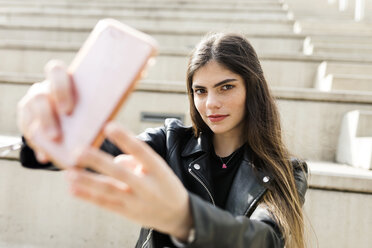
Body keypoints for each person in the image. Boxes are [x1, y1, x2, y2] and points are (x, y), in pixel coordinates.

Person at [17, 33, 308, 248]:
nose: (211, 104)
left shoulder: (286, 170)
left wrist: (186, 219)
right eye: (201, 91)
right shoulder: (170, 142)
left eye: (226, 87)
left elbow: (265, 238)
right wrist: (48, 131)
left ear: (252, 89)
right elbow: (96, 153)